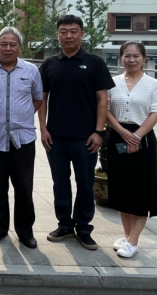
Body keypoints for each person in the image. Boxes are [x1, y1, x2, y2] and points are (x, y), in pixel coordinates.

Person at [38, 15, 115, 251]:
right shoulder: (49, 64)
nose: (68, 36)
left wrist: (98, 131)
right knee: (60, 183)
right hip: (56, 137)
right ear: (57, 35)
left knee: (85, 183)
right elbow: (42, 99)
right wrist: (43, 128)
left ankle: (83, 228)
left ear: (81, 34)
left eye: (73, 31)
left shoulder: (94, 63)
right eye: (63, 31)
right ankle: (64, 225)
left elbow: (103, 100)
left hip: (86, 137)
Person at [0, 27, 43, 249]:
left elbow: (38, 99)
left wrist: (21, 116)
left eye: (13, 44)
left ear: (19, 47)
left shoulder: (31, 70)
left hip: (23, 139)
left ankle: (25, 231)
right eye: (3, 44)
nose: (8, 48)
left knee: (24, 187)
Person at [106, 41, 157, 258]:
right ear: (121, 58)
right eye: (127, 56)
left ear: (144, 59)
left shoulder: (153, 84)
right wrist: (123, 132)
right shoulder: (112, 82)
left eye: (136, 56)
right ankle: (127, 236)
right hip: (118, 136)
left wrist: (136, 136)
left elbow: (156, 112)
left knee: (141, 191)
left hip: (144, 139)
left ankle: (133, 241)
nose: (131, 60)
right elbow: (106, 110)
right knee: (122, 189)